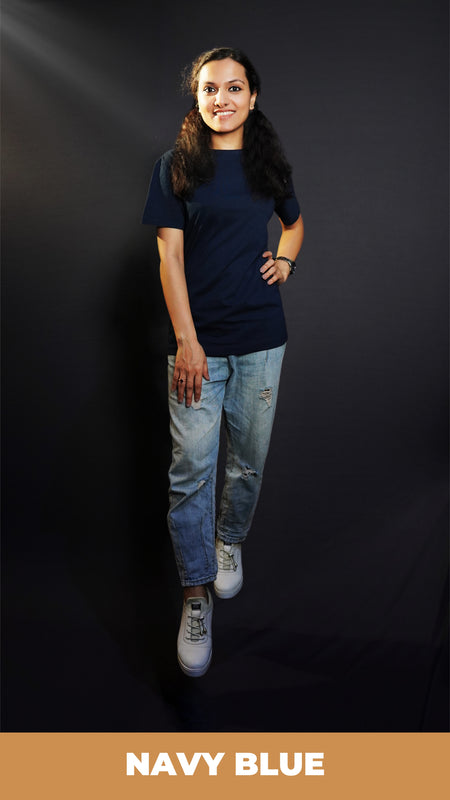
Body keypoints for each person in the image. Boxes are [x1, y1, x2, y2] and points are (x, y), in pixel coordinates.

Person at [142, 46, 304, 677]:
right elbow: (170, 259)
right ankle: (194, 593)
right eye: (210, 89)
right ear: (198, 98)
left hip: (263, 339)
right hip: (197, 347)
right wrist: (187, 340)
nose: (222, 100)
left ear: (252, 97)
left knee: (247, 462)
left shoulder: (269, 166)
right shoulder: (175, 167)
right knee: (191, 471)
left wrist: (286, 260)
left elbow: (293, 225)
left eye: (234, 88)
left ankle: (228, 540)